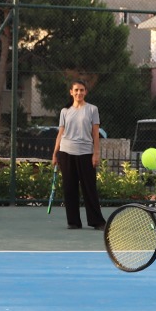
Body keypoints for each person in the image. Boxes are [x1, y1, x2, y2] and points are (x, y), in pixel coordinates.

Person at [52, 80, 105, 230]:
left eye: (82, 90)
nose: (79, 93)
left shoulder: (92, 110)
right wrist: (55, 154)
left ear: (86, 92)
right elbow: (60, 133)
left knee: (89, 188)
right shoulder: (65, 111)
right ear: (71, 92)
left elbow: (95, 134)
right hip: (66, 152)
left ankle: (96, 221)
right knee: (69, 188)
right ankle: (73, 222)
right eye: (76, 90)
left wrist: (96, 154)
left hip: (86, 153)